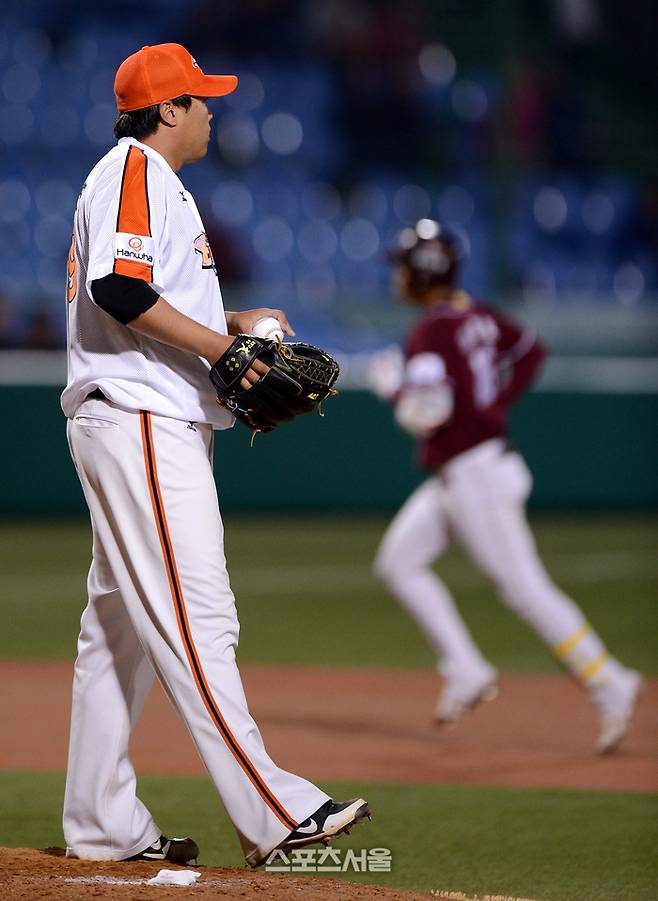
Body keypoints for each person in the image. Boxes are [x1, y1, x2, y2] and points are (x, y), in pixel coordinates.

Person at [61, 42, 369, 867]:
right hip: (142, 423)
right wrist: (222, 353)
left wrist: (231, 326)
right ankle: (276, 812)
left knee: (118, 631)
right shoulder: (133, 170)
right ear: (167, 110)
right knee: (201, 620)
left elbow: (140, 290)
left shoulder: (153, 182)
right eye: (200, 99)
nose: (211, 109)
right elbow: (116, 290)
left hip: (133, 418)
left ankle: (100, 825)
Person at [370, 218, 641, 754]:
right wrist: (494, 405)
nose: (396, 276)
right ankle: (466, 667)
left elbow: (427, 413)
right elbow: (532, 350)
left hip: (476, 475)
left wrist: (393, 388)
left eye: (403, 266)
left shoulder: (429, 330)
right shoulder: (478, 316)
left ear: (422, 273)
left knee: (524, 588)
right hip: (467, 470)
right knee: (399, 561)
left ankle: (609, 680)